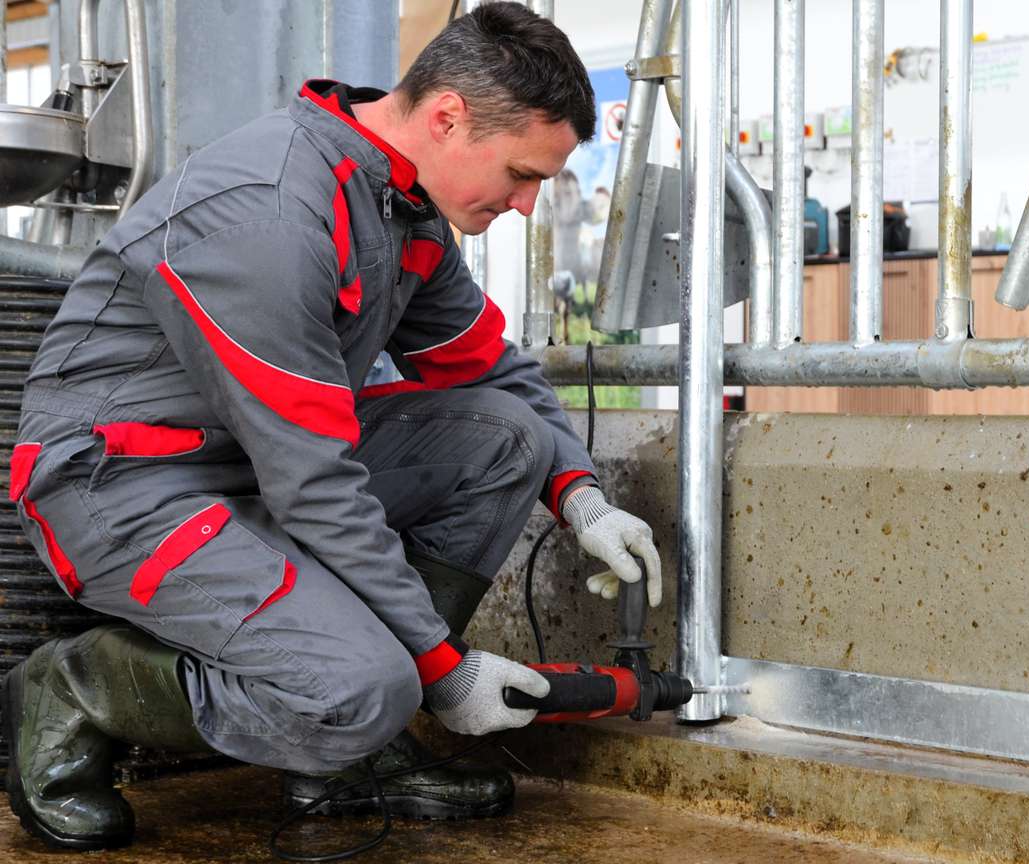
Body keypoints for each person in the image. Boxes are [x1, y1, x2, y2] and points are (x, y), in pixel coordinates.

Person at [2, 2, 661, 850]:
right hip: (125, 486)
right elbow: (312, 477)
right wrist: (442, 668)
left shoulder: (399, 208)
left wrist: (582, 498)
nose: (529, 205)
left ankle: (357, 751)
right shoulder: (268, 213)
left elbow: (490, 370)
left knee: (507, 439)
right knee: (362, 689)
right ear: (448, 117)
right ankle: (76, 689)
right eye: (522, 174)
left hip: (251, 466)